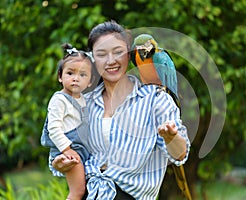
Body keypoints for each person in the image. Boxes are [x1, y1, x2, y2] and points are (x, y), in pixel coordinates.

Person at [52, 20, 190, 200]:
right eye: (101, 54)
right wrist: (61, 163)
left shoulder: (155, 100)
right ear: (93, 59)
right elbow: (67, 150)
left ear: (128, 54)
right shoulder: (84, 104)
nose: (111, 61)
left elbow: (180, 154)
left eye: (118, 52)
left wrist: (171, 137)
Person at [41, 43, 95, 200]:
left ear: (90, 81)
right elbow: (54, 128)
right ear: (60, 76)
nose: (76, 79)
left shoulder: (83, 99)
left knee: (84, 190)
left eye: (83, 75)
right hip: (68, 150)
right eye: (70, 73)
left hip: (81, 150)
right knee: (77, 192)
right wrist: (67, 150)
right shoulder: (59, 100)